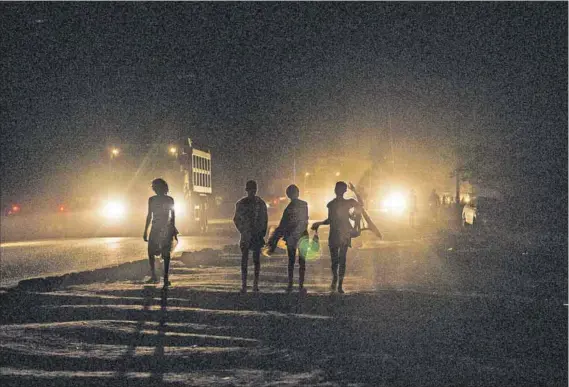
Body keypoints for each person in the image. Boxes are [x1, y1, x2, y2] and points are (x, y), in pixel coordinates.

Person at [311, 181, 362, 293]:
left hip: (336, 233)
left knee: (335, 260)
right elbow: (361, 204)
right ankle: (339, 284)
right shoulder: (348, 202)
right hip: (344, 233)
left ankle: (336, 281)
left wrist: (319, 223)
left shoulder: (332, 204)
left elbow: (329, 220)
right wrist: (354, 191)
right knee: (341, 259)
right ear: (344, 191)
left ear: (336, 190)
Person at [267, 184, 309, 293]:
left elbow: (283, 225)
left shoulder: (288, 208)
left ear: (288, 195)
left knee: (291, 262)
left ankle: (290, 285)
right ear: (298, 193)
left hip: (291, 237)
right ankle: (300, 286)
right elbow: (304, 221)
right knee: (302, 262)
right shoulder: (304, 205)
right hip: (302, 236)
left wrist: (275, 240)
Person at [233, 180, 268, 293]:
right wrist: (261, 232)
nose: (252, 192)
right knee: (254, 260)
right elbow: (264, 219)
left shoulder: (241, 203)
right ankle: (253, 284)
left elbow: (236, 219)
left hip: (249, 235)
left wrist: (243, 230)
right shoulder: (260, 203)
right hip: (252, 234)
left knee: (247, 260)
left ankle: (246, 285)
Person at [143, 178, 178, 288]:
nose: (154, 189)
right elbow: (150, 215)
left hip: (162, 228)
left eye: (155, 187)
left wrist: (172, 229)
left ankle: (162, 277)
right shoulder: (163, 199)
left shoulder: (158, 200)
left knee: (163, 253)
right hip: (161, 228)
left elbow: (172, 216)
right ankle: (157, 277)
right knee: (154, 252)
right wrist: (145, 230)